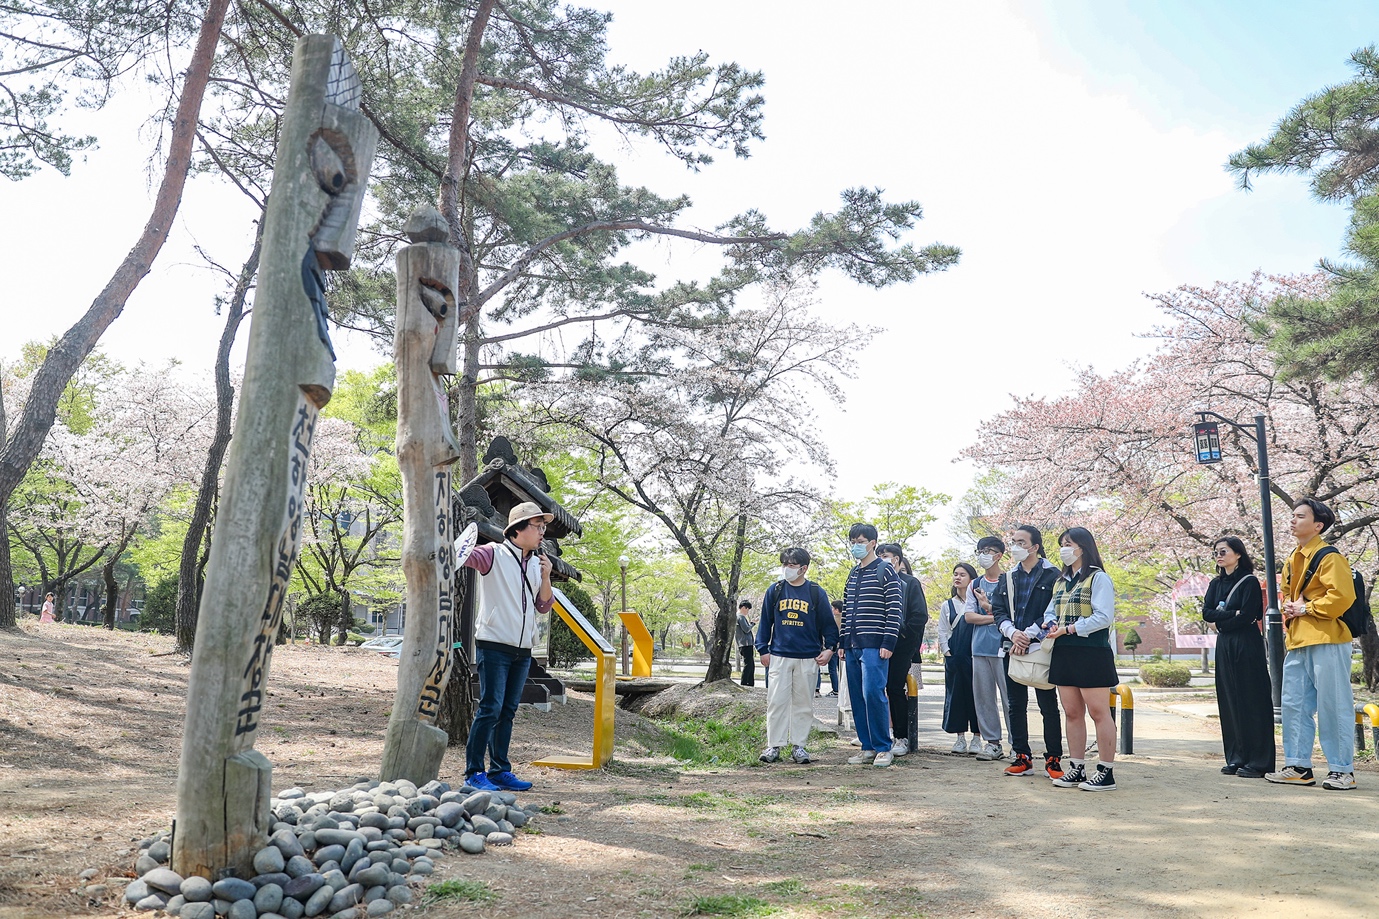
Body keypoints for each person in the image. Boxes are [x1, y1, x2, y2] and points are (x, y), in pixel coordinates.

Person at [461, 501, 554, 793]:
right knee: (490, 708)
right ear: (518, 529)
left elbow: (542, 606)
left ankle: (500, 770)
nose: (542, 532)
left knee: (509, 710)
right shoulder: (493, 554)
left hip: (522, 648)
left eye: (543, 527)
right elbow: (464, 556)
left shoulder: (538, 563)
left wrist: (547, 575)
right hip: (493, 643)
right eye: (537, 527)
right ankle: (474, 772)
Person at [1266, 498, 1358, 791]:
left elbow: (1343, 596)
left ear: (1318, 525)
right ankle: (1298, 766)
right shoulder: (1293, 557)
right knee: (1293, 705)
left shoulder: (1330, 557)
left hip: (1328, 638)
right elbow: (1286, 596)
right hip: (1297, 640)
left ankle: (1343, 770)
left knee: (1333, 705)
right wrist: (1291, 609)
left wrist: (1305, 609)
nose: (1293, 520)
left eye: (1300, 516)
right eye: (1292, 515)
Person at [1042, 527, 1119, 791]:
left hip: (1091, 651)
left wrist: (1071, 628)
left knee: (1099, 712)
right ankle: (1076, 767)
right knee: (1072, 712)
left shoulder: (1099, 579)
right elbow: (1050, 610)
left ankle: (1106, 772)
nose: (1064, 548)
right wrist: (1050, 624)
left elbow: (1103, 617)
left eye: (1068, 543)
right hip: (1064, 651)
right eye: (1062, 544)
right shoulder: (1061, 580)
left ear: (1082, 547)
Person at [991, 525, 1065, 779]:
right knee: (1015, 704)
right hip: (1012, 647)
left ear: (1034, 547)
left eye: (1021, 542)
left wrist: (1029, 635)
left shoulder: (1053, 575)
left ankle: (1054, 758)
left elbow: (1052, 610)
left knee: (1048, 705)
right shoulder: (1008, 577)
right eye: (1013, 541)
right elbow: (998, 610)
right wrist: (1013, 634)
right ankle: (1021, 755)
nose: (1015, 546)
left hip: (1040, 647)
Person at [1202, 536, 1275, 779]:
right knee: (1229, 698)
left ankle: (1259, 761)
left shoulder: (1249, 582)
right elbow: (1206, 612)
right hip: (1225, 644)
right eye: (1216, 552)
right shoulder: (1215, 583)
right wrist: (1229, 614)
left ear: (1238, 554)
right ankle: (1236, 757)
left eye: (1223, 551)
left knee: (1251, 698)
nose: (1219, 556)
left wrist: (1222, 620)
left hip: (1246, 643)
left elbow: (1248, 616)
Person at [756, 547, 838, 765]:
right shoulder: (775, 590)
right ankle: (774, 745)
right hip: (779, 656)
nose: (787, 569)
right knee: (776, 702)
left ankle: (799, 746)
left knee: (804, 704)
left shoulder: (815, 592)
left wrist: (829, 648)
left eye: (791, 565)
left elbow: (829, 625)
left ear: (803, 568)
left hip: (808, 657)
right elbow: (765, 622)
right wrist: (763, 649)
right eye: (784, 564)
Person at [841, 522, 902, 767]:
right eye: (853, 542)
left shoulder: (886, 571)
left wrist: (888, 641)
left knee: (873, 693)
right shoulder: (853, 574)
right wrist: (843, 643)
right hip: (853, 645)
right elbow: (846, 611)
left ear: (873, 543)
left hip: (876, 645)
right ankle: (866, 747)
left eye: (861, 541)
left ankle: (883, 747)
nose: (857, 546)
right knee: (856, 696)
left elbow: (895, 610)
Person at [878, 543, 928, 756]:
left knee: (895, 689)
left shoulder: (910, 583)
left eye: (885, 555)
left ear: (896, 559)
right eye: (878, 555)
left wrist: (904, 635)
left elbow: (920, 616)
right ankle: (880, 735)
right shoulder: (874, 582)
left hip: (901, 646)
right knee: (875, 689)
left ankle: (901, 736)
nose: (881, 558)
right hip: (876, 644)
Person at [966, 536, 1011, 762]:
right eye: (980, 550)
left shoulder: (1010, 581)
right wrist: (996, 617)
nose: (984, 554)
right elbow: (969, 616)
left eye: (989, 550)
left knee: (1009, 697)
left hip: (1005, 648)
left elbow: (1014, 615)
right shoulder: (975, 584)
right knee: (984, 698)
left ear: (999, 555)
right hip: (980, 647)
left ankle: (1017, 743)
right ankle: (992, 743)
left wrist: (988, 610)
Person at [938, 563, 982, 754]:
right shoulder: (947, 605)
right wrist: (947, 652)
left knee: (978, 696)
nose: (957, 578)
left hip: (976, 654)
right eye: (955, 574)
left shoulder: (979, 603)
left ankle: (978, 738)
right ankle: (959, 738)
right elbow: (942, 631)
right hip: (955, 655)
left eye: (962, 574)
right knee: (955, 696)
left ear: (971, 579)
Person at [817, 599, 843, 696]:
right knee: (839, 669)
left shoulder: (834, 620)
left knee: (832, 669)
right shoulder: (845, 619)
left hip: (834, 647)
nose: (832, 610)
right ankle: (839, 689)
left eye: (833, 608)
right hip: (842, 647)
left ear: (836, 610)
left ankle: (835, 689)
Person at [736, 601, 757, 687]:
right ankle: (745, 683)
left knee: (751, 664)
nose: (747, 612)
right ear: (743, 607)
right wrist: (752, 623)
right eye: (747, 609)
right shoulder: (740, 617)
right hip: (746, 644)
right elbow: (746, 629)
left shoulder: (739, 617)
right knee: (748, 664)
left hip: (744, 644)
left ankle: (750, 683)